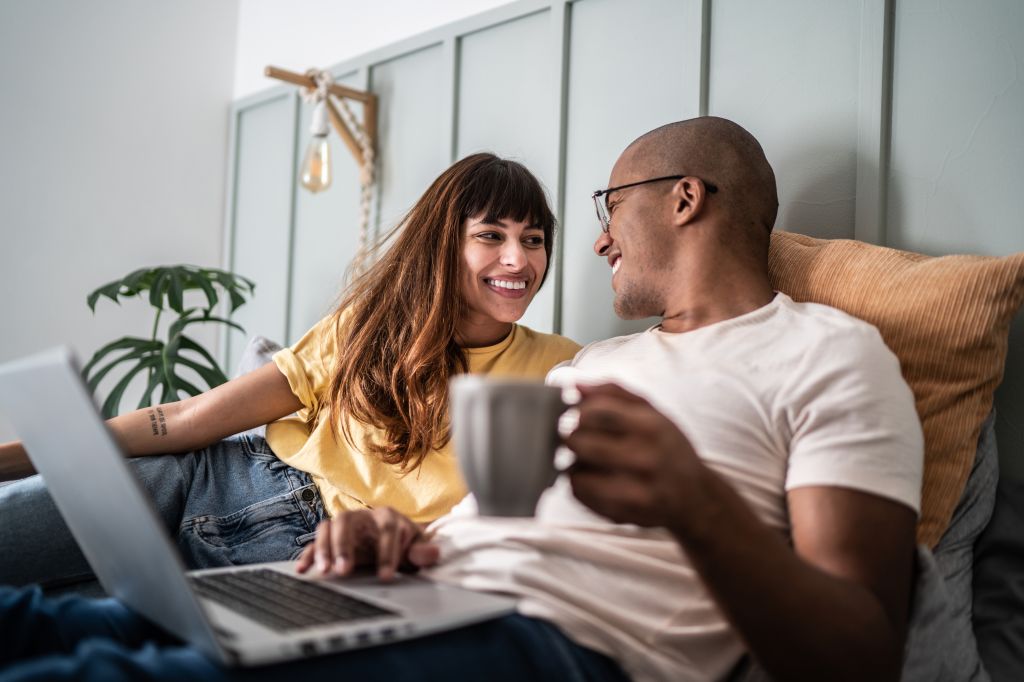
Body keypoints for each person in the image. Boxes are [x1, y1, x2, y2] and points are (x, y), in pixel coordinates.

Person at [0, 117, 923, 682]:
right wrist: (395, 536)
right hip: (384, 587)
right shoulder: (590, 366)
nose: (597, 242)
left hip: (548, 643)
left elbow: (862, 655)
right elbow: (488, 520)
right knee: (39, 624)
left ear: (685, 198)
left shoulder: (830, 354)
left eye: (610, 206)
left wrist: (693, 502)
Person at [0, 153, 580, 590]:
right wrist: (20, 456)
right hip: (220, 478)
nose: (519, 260)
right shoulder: (370, 328)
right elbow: (186, 417)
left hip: (320, 553)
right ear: (442, 246)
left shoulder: (562, 367)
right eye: (491, 236)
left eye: (533, 240)